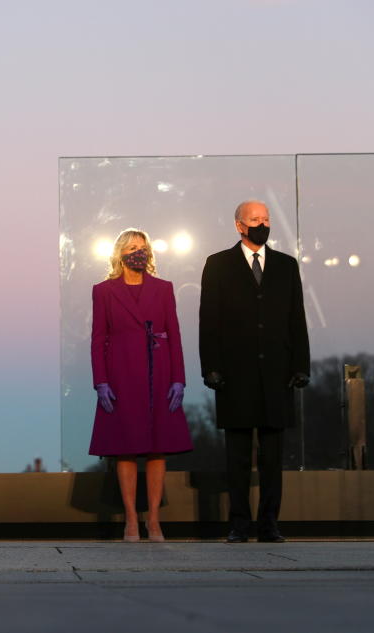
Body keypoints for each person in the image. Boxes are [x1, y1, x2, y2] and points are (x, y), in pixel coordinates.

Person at [199, 199, 310, 544]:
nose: (262, 224)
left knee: (273, 457)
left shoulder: (286, 265)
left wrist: (300, 365)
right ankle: (239, 524)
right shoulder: (217, 265)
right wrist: (211, 368)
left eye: (266, 218)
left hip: (277, 374)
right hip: (235, 374)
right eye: (255, 219)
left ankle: (269, 524)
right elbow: (209, 321)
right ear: (239, 225)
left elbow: (297, 319)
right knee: (237, 455)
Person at [89, 228, 192, 542]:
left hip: (158, 372)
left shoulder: (163, 288)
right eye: (132, 247)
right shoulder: (104, 290)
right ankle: (131, 520)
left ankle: (155, 521)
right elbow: (97, 338)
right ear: (120, 253)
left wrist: (178, 379)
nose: (139, 251)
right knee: (125, 449)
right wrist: (101, 382)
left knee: (157, 448)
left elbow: (174, 334)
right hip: (121, 372)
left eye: (143, 247)